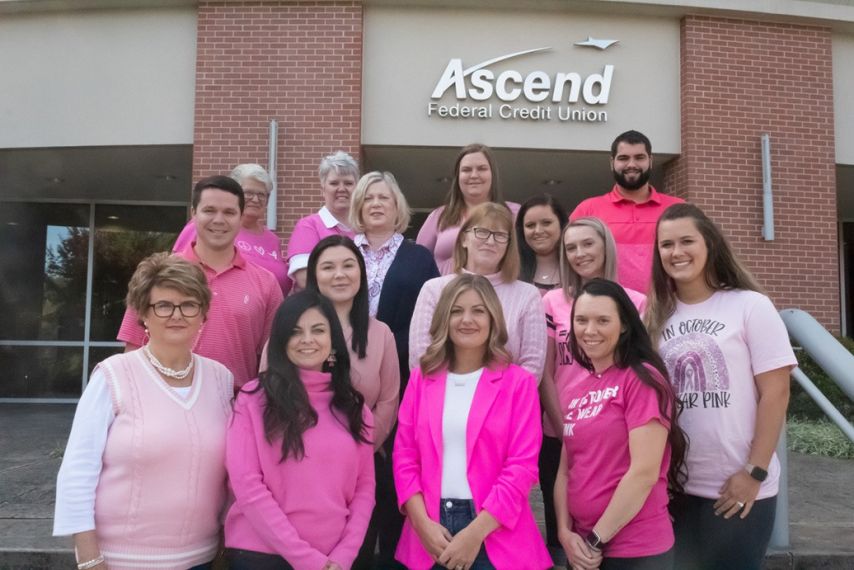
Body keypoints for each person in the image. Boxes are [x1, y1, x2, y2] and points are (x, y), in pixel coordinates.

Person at [54, 253, 234, 570]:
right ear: (144, 316)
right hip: (122, 560)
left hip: (202, 558)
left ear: (203, 314)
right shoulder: (113, 376)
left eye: (189, 304)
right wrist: (89, 557)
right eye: (163, 305)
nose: (176, 315)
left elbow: (230, 471)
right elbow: (77, 471)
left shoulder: (221, 378)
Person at [646, 203, 796, 570]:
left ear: (709, 244)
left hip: (737, 488)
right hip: (674, 490)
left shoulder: (750, 306)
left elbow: (776, 394)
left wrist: (754, 472)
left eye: (687, 241)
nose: (676, 252)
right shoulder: (653, 316)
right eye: (666, 244)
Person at [393, 274, 553, 570]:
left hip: (495, 531)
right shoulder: (421, 380)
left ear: (493, 319)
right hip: (429, 531)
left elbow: (522, 466)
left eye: (478, 311)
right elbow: (404, 456)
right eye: (457, 311)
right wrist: (421, 523)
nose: (467, 319)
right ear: (444, 318)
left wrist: (475, 533)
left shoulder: (518, 383)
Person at [224, 290, 375, 570]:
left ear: (333, 340)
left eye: (318, 330)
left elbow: (365, 489)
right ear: (281, 340)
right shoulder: (253, 399)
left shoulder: (355, 408)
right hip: (263, 556)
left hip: (335, 560)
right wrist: (307, 560)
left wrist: (344, 556)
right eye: (295, 332)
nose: (307, 339)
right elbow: (247, 485)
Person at [555, 278, 687, 570]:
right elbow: (566, 470)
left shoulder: (641, 380)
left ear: (625, 324)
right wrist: (564, 532)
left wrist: (595, 541)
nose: (590, 330)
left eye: (603, 320)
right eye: (581, 320)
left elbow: (643, 473)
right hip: (582, 547)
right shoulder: (579, 387)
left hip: (635, 551)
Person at [539, 217, 647, 566]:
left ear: (605, 247)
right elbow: (546, 371)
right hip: (561, 430)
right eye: (571, 247)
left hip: (613, 431)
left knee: (613, 517)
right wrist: (564, 428)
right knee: (563, 529)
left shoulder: (635, 302)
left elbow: (639, 366)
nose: (579, 253)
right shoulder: (552, 301)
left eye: (588, 244)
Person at [348, 171, 439, 567]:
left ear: (397, 205)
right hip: (346, 381)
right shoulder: (342, 251)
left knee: (392, 479)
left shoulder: (419, 257)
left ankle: (393, 558)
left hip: (401, 378)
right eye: (368, 198)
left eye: (383, 197)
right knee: (350, 481)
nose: (376, 204)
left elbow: (430, 322)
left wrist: (389, 353)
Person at [117, 175, 283, 390]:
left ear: (241, 217)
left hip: (235, 405)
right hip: (164, 399)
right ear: (194, 214)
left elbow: (274, 360)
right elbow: (133, 347)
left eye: (229, 212)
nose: (219, 220)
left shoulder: (266, 283)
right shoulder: (158, 274)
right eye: (209, 210)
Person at [409, 202, 546, 379]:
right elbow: (420, 357)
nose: (490, 241)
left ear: (509, 245)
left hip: (509, 396)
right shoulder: (433, 290)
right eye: (481, 232)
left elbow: (533, 365)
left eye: (500, 235)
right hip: (441, 394)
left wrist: (499, 395)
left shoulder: (528, 295)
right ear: (464, 239)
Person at [570, 130, 684, 294]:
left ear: (650, 161)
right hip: (608, 304)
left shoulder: (677, 208)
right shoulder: (587, 209)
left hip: (667, 305)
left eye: (639, 157)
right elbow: (569, 260)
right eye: (623, 158)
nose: (631, 164)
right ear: (612, 163)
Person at [173, 163, 292, 295]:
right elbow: (178, 269)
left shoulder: (272, 239)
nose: (255, 199)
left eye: (262, 194)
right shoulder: (205, 227)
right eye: (248, 193)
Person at [416, 144, 520, 274]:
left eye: (482, 169)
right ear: (458, 177)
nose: (474, 175)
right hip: (444, 286)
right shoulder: (439, 216)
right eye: (466, 170)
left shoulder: (514, 213)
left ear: (493, 174)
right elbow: (417, 261)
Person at [287, 151, 360, 290]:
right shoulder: (308, 226)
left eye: (348, 183)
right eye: (334, 183)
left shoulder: (364, 228)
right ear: (323, 189)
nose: (342, 188)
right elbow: (304, 278)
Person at [515, 193, 567, 295]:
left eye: (546, 223)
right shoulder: (510, 272)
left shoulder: (578, 268)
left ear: (561, 224)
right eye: (530, 225)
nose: (538, 231)